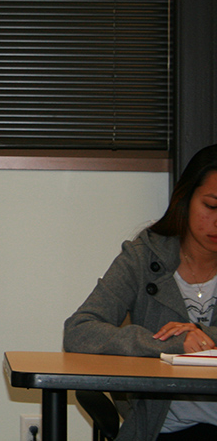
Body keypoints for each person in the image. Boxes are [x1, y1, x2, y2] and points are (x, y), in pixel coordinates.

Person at [64, 144, 217, 440]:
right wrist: (169, 344)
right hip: (163, 430)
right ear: (185, 199)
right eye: (212, 206)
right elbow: (79, 331)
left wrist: (205, 336)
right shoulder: (143, 257)